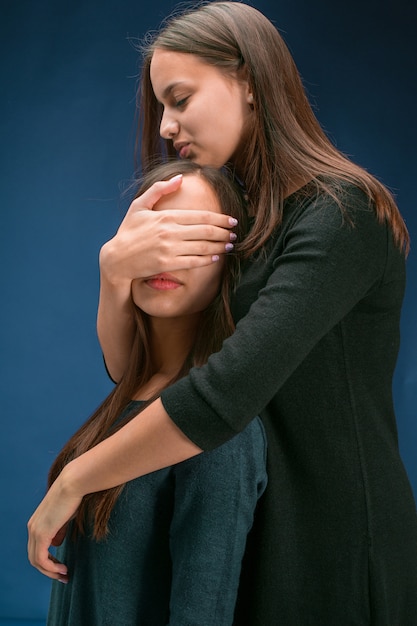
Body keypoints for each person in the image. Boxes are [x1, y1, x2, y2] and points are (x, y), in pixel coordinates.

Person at [28, 2, 417, 624]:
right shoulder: (244, 219)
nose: (164, 127)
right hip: (257, 526)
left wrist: (77, 480)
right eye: (160, 107)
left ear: (250, 84)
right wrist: (113, 273)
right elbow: (136, 369)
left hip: (334, 542)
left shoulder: (341, 214)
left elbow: (226, 391)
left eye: (179, 99)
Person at [45, 159, 267, 625]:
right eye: (154, 235)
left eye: (192, 236)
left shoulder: (220, 432)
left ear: (231, 258)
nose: (166, 255)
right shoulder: (135, 391)